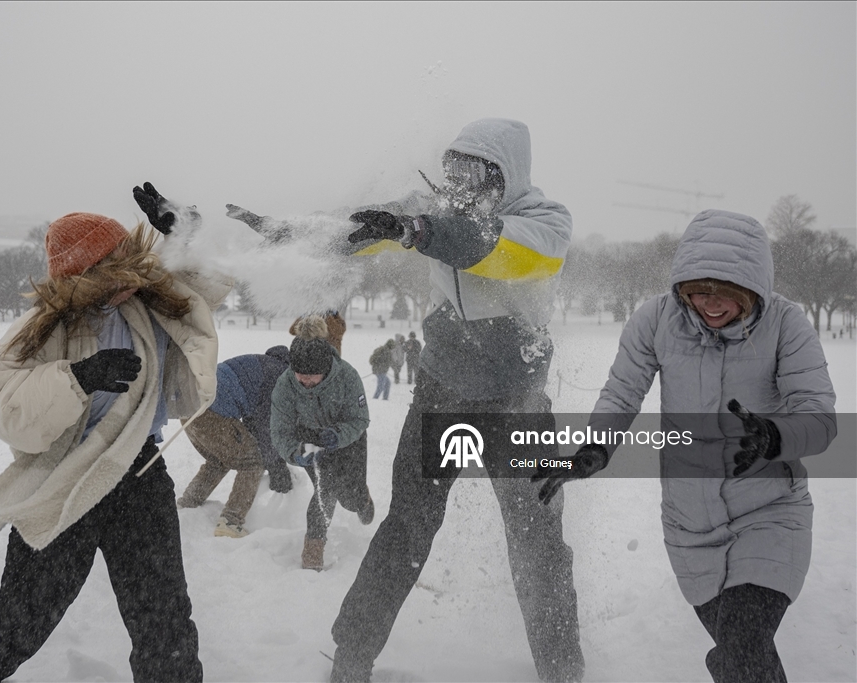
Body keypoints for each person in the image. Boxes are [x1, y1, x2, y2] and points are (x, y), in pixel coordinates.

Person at [0, 182, 232, 683]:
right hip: (62, 480)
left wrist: (183, 240)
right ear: (87, 276)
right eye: (119, 267)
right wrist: (78, 379)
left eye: (135, 262)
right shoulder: (43, 327)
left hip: (139, 475)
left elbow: (206, 289)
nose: (134, 275)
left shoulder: (155, 301)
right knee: (24, 617)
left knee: (164, 620)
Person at [329, 119, 584, 683]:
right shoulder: (433, 210)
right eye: (453, 170)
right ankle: (352, 655)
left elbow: (494, 250)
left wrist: (418, 228)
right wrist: (281, 237)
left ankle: (562, 668)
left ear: (507, 173)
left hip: (516, 400)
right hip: (442, 391)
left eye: (475, 171)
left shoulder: (544, 221)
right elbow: (352, 234)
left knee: (536, 539)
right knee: (409, 525)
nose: (460, 183)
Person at [534, 209, 836, 683]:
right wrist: (595, 447)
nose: (710, 304)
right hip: (689, 525)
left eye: (726, 293)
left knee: (742, 649)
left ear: (752, 288)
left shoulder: (786, 324)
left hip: (770, 513)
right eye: (699, 291)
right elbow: (622, 392)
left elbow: (819, 416)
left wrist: (774, 436)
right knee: (740, 653)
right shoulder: (656, 320)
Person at [270, 337, 375, 570]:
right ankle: (313, 552)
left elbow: (359, 419)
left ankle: (362, 499)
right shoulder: (285, 385)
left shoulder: (347, 377)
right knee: (324, 490)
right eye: (300, 374)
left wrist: (338, 436)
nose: (305, 380)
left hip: (348, 439)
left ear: (325, 369)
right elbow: (279, 431)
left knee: (349, 498)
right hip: (310, 440)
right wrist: (295, 452)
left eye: (311, 375)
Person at [178, 345, 295, 538]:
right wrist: (276, 466)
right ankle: (231, 521)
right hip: (212, 411)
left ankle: (188, 503)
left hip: (187, 406)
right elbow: (265, 427)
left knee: (219, 458)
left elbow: (253, 420)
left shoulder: (260, 362)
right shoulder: (279, 376)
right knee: (252, 462)